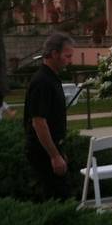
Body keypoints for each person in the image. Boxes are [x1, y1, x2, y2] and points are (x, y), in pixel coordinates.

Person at [23, 32, 74, 200]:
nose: (70, 60)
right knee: (56, 196)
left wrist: (59, 151)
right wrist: (54, 156)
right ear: (54, 54)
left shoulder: (52, 79)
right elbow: (39, 122)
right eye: (67, 56)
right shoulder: (42, 82)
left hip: (53, 148)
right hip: (42, 153)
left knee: (62, 193)